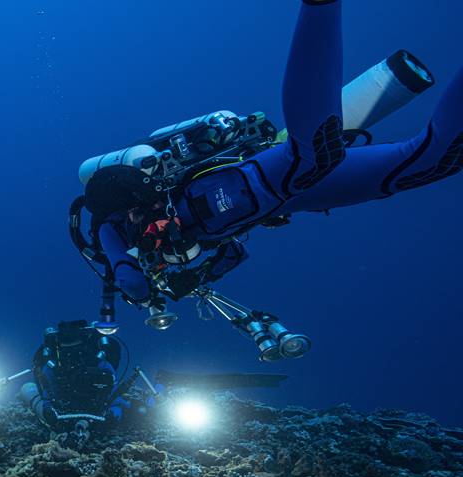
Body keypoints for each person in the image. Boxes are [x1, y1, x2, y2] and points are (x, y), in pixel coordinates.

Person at [82, 0, 463, 314]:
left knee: (312, 157)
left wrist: (144, 294)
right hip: (294, 195)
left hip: (260, 180)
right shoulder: (178, 237)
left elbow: (128, 276)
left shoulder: (111, 227)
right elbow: (233, 253)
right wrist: (198, 279)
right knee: (431, 162)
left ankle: (320, 7)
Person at [17, 320, 135, 429]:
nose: (71, 357)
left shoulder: (102, 367)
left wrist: (113, 415)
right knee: (30, 390)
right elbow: (47, 393)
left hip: (96, 412)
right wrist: (48, 410)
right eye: (66, 351)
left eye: (78, 351)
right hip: (61, 413)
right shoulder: (52, 369)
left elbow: (115, 398)